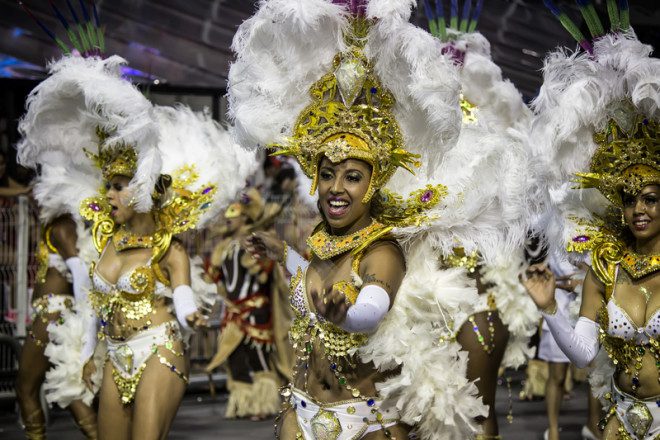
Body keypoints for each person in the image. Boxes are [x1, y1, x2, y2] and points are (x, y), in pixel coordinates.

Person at [229, 1, 527, 438]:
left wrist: (346, 314)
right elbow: (312, 289)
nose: (335, 188)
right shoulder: (324, 240)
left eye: (352, 176)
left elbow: (370, 309)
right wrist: (287, 257)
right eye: (327, 173)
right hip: (304, 412)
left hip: (363, 425)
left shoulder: (382, 250)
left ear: (374, 182)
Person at [524, 2, 659, 439]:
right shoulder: (606, 266)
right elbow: (583, 354)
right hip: (619, 421)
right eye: (629, 198)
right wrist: (548, 310)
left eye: (651, 199)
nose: (639, 209)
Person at [205, 188, 291, 420]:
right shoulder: (223, 247)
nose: (228, 218)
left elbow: (266, 272)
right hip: (232, 313)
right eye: (228, 214)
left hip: (255, 311)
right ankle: (243, 404)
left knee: (258, 356)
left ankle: (263, 404)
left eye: (233, 213)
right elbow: (215, 280)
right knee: (236, 360)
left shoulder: (256, 241)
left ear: (245, 216)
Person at [15, 215, 97, 439]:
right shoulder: (61, 224)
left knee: (25, 388)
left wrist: (84, 318)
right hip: (55, 315)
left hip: (52, 316)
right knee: (70, 392)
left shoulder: (62, 227)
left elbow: (81, 273)